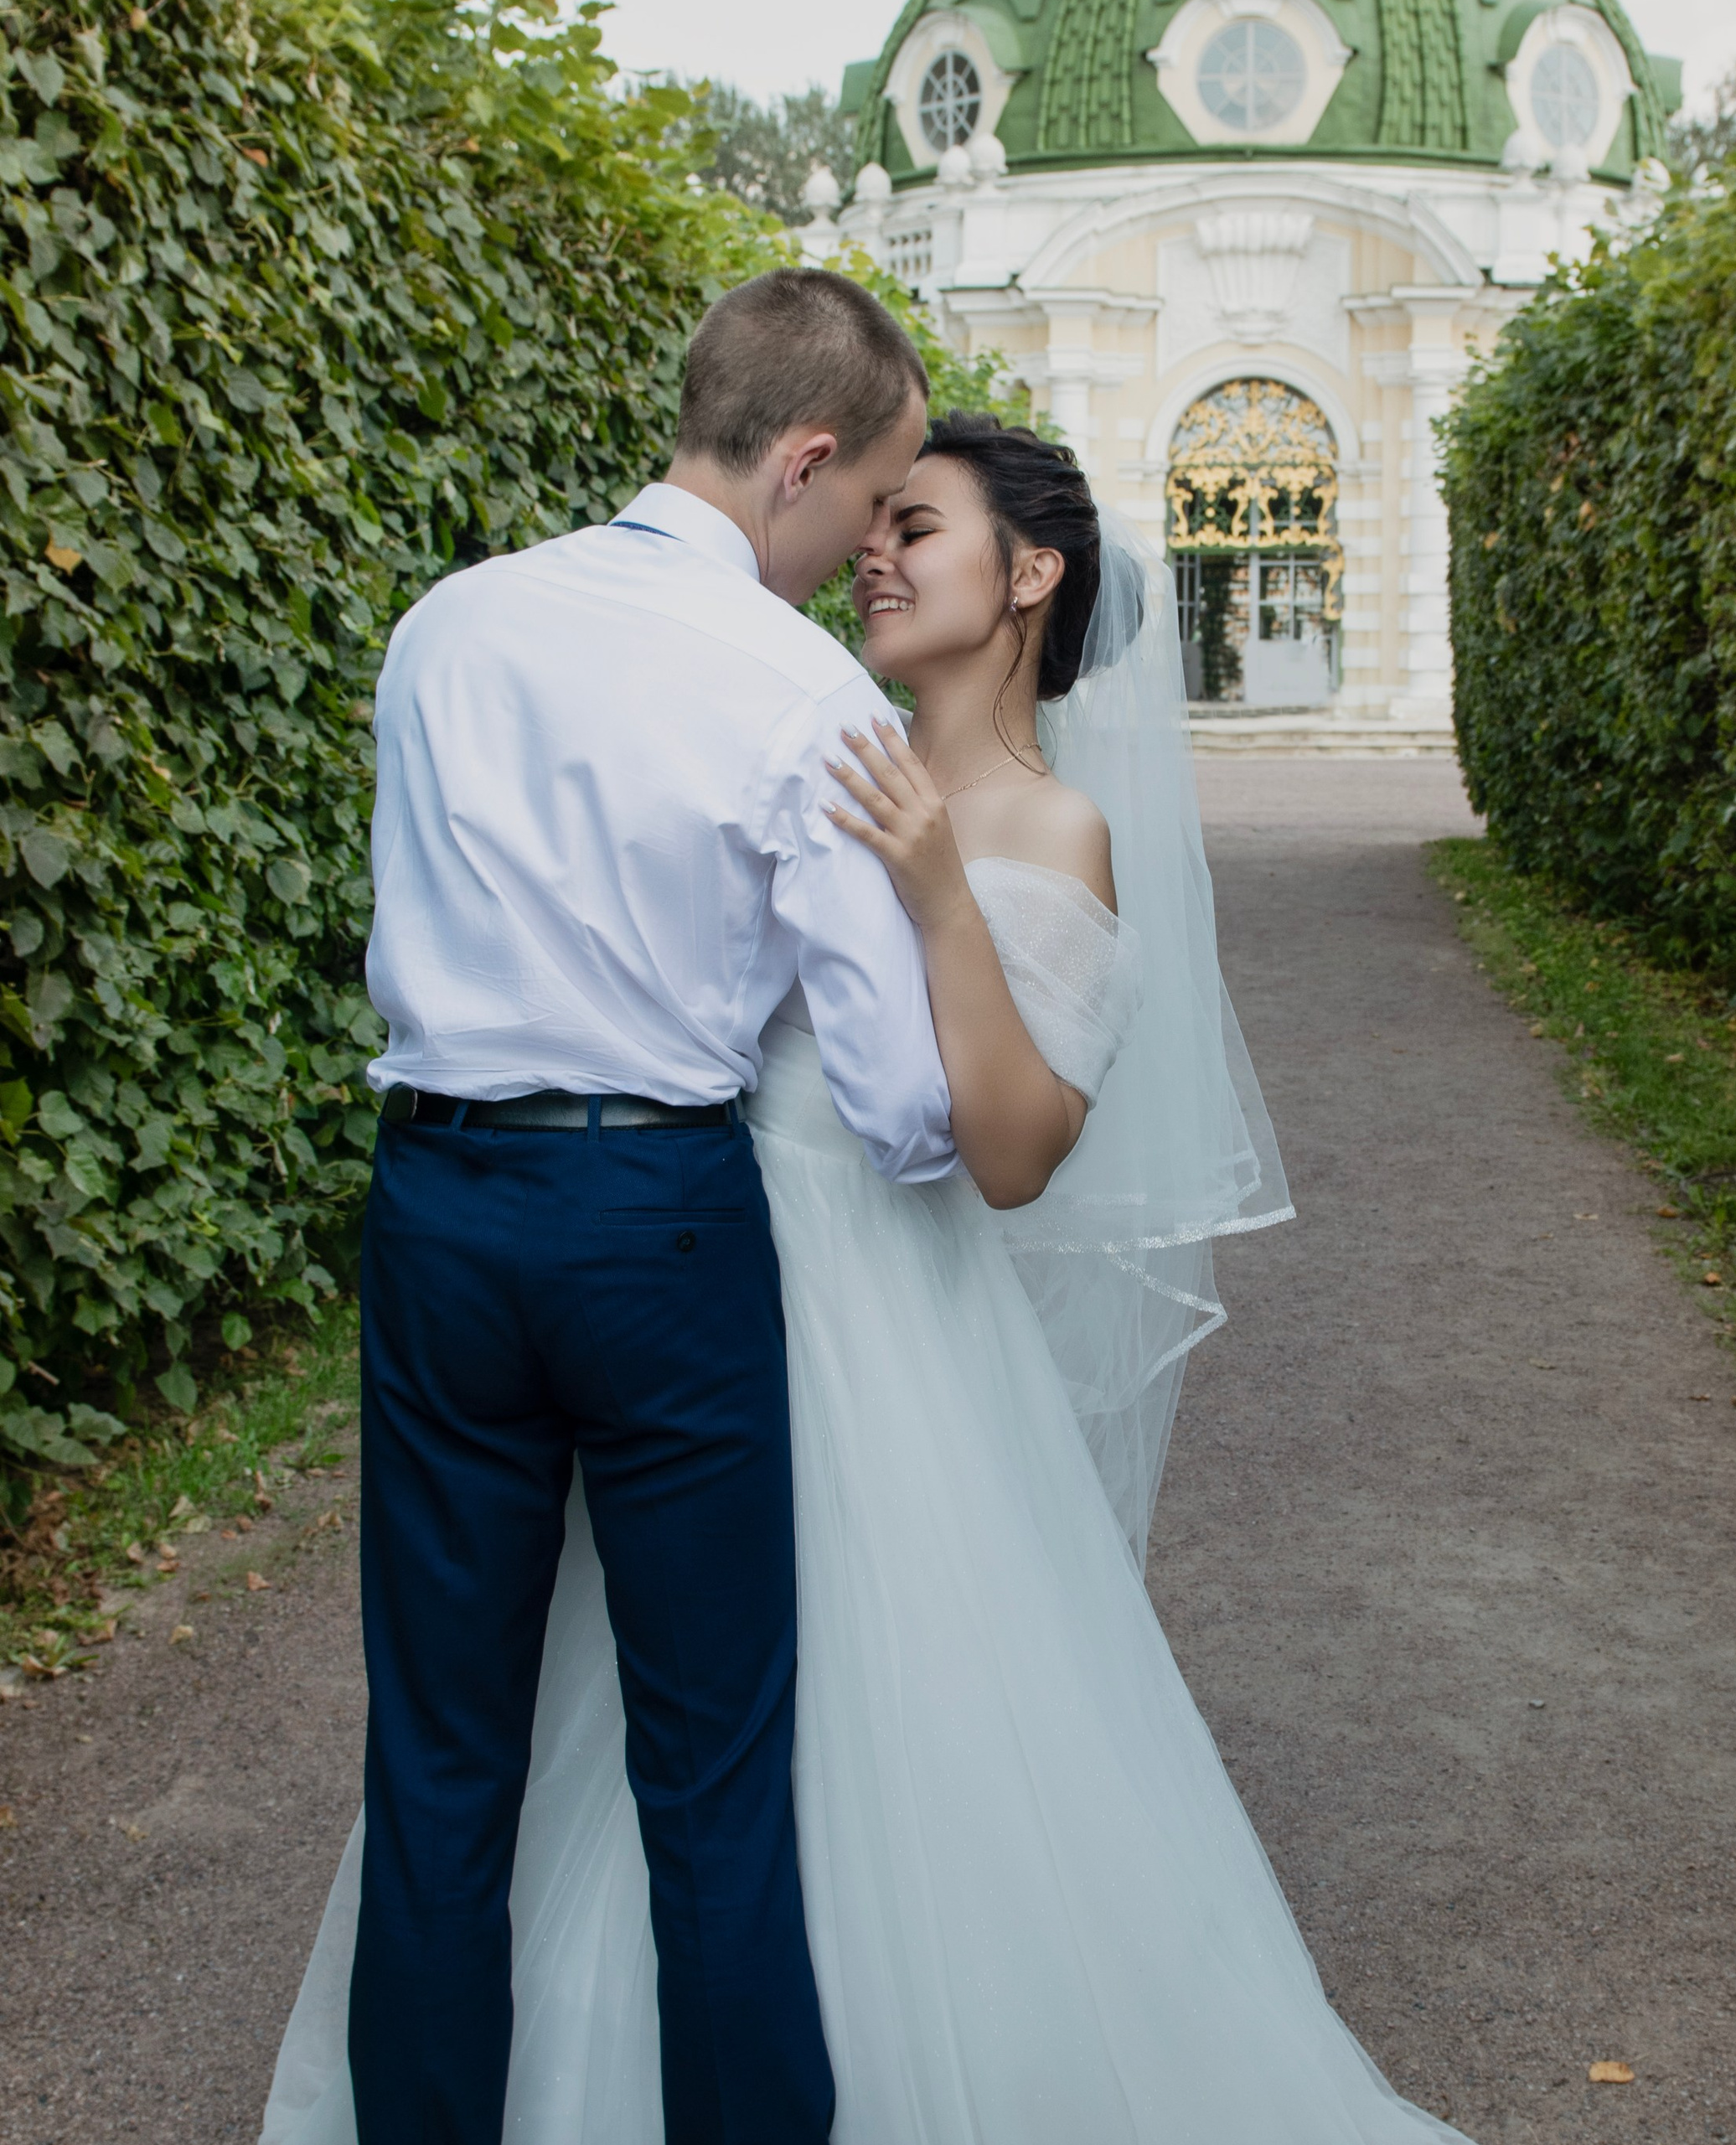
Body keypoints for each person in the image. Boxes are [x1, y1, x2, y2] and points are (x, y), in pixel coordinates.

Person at [263, 413, 1475, 2145]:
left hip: (867, 1332)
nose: (875, 557)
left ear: (1029, 576)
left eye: (920, 528)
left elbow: (1013, 1146)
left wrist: (933, 892)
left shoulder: (1046, 828)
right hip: (675, 1282)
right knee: (605, 1729)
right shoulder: (792, 722)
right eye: (875, 522)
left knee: (819, 1750)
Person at [317, 266, 947, 2145]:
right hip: (655, 1218)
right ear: (802, 460)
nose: (856, 557)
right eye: (863, 507)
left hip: (435, 1197)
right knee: (711, 1770)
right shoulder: (798, 683)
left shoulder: (448, 623)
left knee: (437, 1757)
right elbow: (907, 1106)